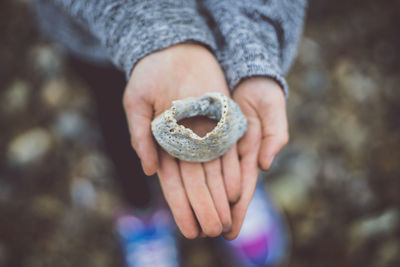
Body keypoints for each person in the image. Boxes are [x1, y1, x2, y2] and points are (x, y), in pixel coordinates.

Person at [33, 0, 307, 266]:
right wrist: (151, 30)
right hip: (99, 33)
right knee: (122, 121)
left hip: (230, 25)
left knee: (235, 109)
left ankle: (231, 186)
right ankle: (142, 211)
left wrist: (253, 47)